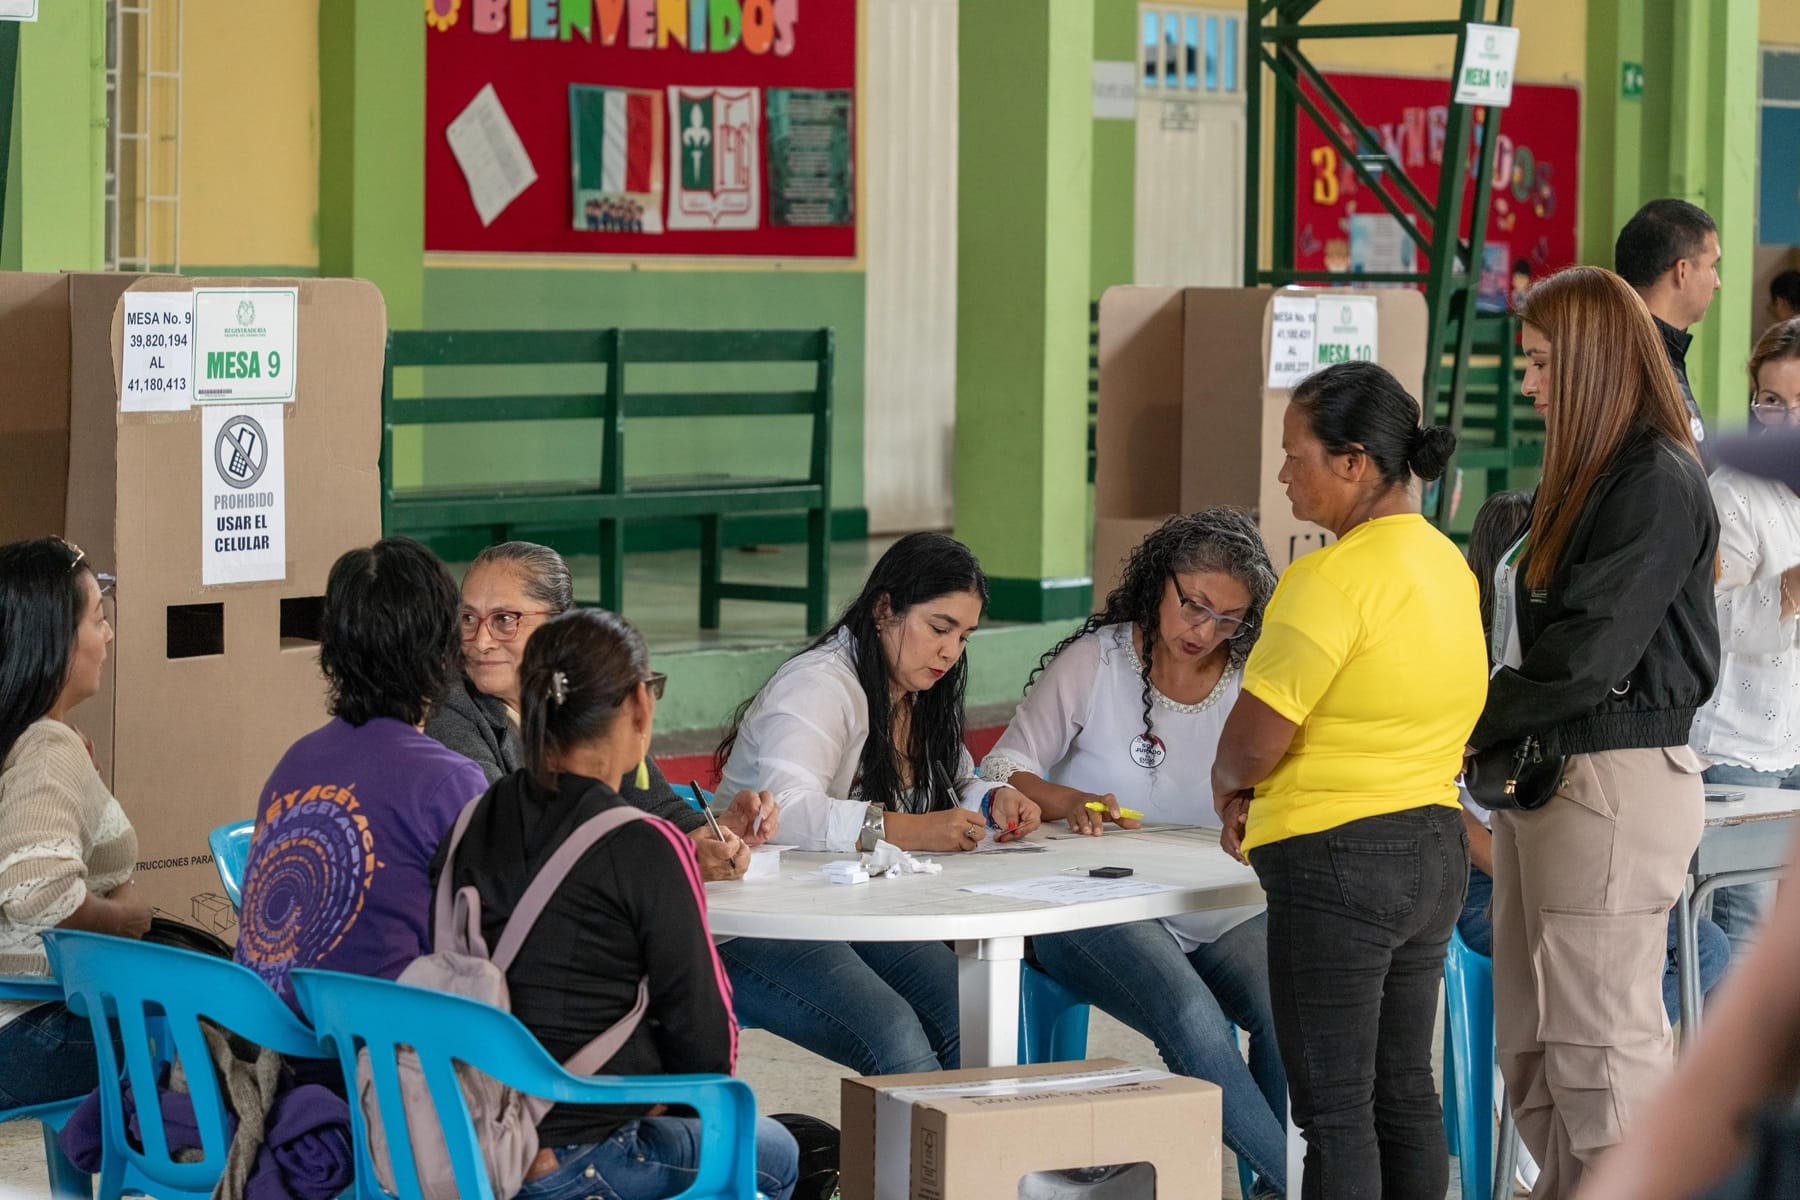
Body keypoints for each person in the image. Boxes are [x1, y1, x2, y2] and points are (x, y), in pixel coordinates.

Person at [1469, 265, 1720, 1197]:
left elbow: (1584, 654)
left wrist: (1458, 721)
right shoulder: (1585, 476)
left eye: (1541, 363)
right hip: (1545, 776)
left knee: (1602, 1056)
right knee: (1534, 1046)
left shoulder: (1655, 480)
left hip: (1610, 778)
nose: (1528, 382)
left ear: (1592, 362)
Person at [1211, 361, 1488, 1197]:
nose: (1283, 474)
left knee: (1334, 1111)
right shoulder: (1449, 566)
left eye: (1295, 455)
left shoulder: (1328, 580)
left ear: (1354, 462)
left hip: (1337, 863)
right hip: (1434, 849)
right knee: (1403, 1090)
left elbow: (1252, 743)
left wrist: (1230, 787)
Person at [980, 509, 1287, 1198]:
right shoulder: (1097, 661)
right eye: (1193, 605)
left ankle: (1277, 1189)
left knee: (1286, 1003)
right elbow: (1002, 767)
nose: (1203, 631)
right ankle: (1300, 1184)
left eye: (1228, 619)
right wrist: (1067, 800)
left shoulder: (1252, 676)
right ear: (1160, 582)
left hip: (1212, 900)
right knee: (1190, 1016)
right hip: (1090, 901)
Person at [443, 608, 798, 1200]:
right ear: (638, 705)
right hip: (577, 1162)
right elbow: (709, 1044)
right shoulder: (645, 845)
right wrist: (648, 1096)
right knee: (777, 1152)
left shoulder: (470, 820)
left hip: (468, 1143)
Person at [713, 532, 1040, 1075]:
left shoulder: (916, 687)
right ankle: (929, 1136)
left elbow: (954, 779)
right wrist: (914, 830)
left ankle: (973, 1135)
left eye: (964, 636)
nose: (950, 651)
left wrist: (993, 799)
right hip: (754, 918)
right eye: (939, 628)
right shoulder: (818, 685)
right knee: (893, 1033)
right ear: (884, 609)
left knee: (972, 1009)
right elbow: (785, 811)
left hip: (845, 904)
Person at [1458, 492, 1728, 1028]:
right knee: (1623, 965)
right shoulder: (1470, 661)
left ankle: (1617, 1048)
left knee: (1705, 945)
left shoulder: (1557, 658)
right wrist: (1514, 878)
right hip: (1485, 881)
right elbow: (1448, 812)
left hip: (1556, 849)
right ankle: (1608, 1046)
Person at [233, 537, 489, 1015]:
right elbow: (492, 941)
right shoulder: (450, 782)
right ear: (442, 650)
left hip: (270, 1035)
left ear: (333, 650)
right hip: (381, 1046)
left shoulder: (294, 762)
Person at [425, 540, 775, 882]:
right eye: (467, 618)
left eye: (504, 619)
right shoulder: (447, 707)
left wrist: (716, 829)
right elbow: (510, 838)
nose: (481, 641)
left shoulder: (585, 689)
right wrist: (674, 857)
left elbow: (654, 806)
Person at [0, 537, 151, 1111]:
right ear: (55, 640)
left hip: (20, 1028)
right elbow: (38, 891)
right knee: (213, 1039)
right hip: (31, 1029)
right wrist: (124, 916)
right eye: (97, 620)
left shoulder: (30, 740)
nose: (107, 637)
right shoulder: (48, 748)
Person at [1689, 317, 1800, 955]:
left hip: (1795, 738)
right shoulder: (1733, 490)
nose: (1783, 421)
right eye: (1770, 401)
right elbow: (1706, 615)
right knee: (1743, 929)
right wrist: (1789, 589)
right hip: (1737, 746)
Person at [1615, 198, 1722, 454]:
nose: (1717, 282)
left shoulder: (1653, 351)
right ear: (1682, 271)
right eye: (1712, 266)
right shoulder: (1636, 367)